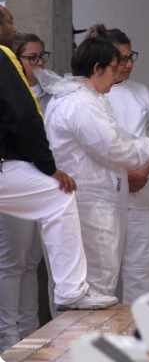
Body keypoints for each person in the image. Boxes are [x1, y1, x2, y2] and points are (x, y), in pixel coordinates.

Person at [0, 6, 118, 331]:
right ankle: (71, 291)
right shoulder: (3, 56)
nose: (13, 28)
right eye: (8, 21)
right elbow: (23, 117)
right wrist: (49, 168)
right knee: (58, 194)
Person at [44, 25, 149, 297]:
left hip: (97, 198)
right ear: (97, 68)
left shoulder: (81, 98)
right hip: (89, 201)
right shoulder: (81, 103)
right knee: (95, 283)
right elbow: (115, 147)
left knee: (95, 280)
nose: (119, 71)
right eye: (113, 67)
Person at [105, 28, 149, 303]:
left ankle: (138, 325)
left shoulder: (141, 92)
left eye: (131, 56)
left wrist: (143, 172)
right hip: (106, 193)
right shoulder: (90, 94)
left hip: (142, 191)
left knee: (141, 266)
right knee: (104, 269)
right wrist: (124, 175)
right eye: (122, 58)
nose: (128, 64)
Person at [0, 33, 52, 348]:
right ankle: (8, 337)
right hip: (16, 179)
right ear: (15, 61)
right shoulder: (10, 94)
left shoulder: (52, 95)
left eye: (42, 56)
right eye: (32, 58)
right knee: (12, 261)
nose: (39, 64)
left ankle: (31, 332)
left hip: (41, 182)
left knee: (32, 261)